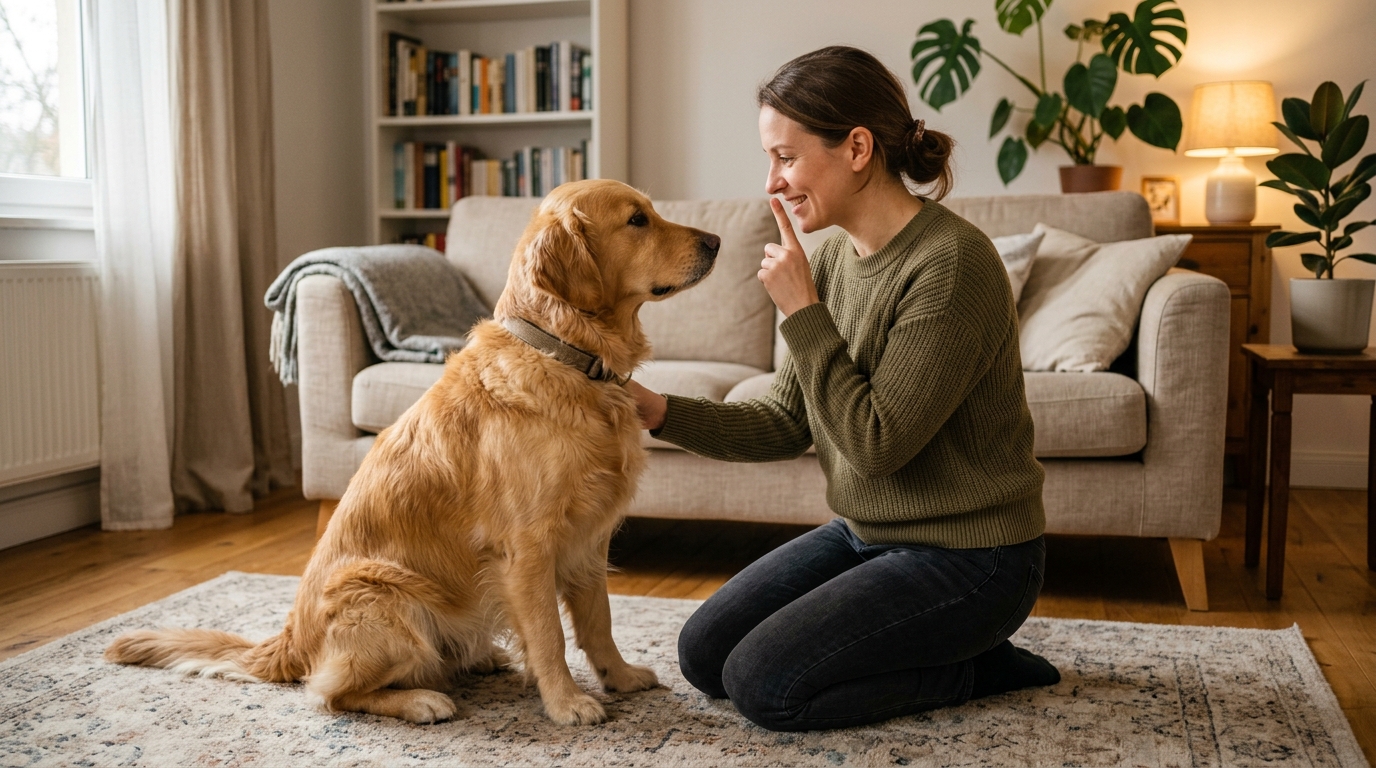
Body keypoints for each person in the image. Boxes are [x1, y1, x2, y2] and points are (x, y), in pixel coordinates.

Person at [623, 46, 1061, 732]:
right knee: (704, 654)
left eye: (786, 158)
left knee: (766, 688)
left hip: (975, 560)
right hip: (867, 534)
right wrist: (657, 411)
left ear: (857, 147)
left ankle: (979, 666)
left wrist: (802, 313)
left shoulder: (951, 264)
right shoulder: (828, 258)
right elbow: (785, 419)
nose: (773, 183)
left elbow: (876, 446)